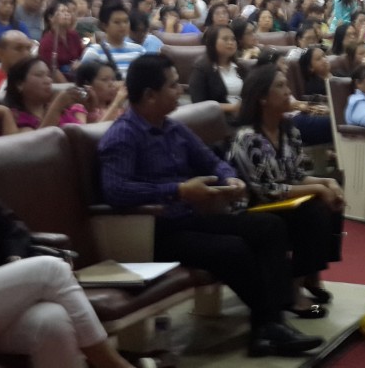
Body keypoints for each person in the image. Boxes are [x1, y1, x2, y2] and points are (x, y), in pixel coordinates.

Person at [99, 54, 323, 356]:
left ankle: (268, 326)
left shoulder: (172, 128)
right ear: (149, 95)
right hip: (154, 231)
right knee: (233, 247)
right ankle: (270, 326)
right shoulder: (123, 135)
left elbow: (213, 161)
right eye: (171, 85)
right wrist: (177, 190)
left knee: (269, 227)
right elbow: (116, 191)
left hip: (192, 218)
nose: (180, 90)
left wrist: (230, 180)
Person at [0, 106, 155, 367]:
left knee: (52, 321)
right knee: (50, 269)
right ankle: (112, 363)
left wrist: (13, 261)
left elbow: (11, 226)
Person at [228, 64, 344, 315]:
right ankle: (294, 289)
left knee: (332, 194)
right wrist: (317, 189)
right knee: (313, 210)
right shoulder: (247, 137)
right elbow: (266, 190)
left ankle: (312, 273)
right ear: (261, 98)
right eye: (279, 86)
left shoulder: (289, 130)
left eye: (286, 84)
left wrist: (327, 183)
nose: (287, 91)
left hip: (280, 199)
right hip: (252, 206)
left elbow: (297, 175)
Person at [5, 57, 88, 130]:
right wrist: (57, 106)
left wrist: (90, 108)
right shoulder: (15, 118)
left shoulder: (63, 110)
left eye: (48, 75)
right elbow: (35, 144)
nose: (48, 80)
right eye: (39, 75)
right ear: (20, 84)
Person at [189, 25, 247, 117]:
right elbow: (199, 104)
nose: (231, 43)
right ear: (212, 42)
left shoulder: (240, 68)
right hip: (218, 120)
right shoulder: (201, 69)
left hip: (244, 116)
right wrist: (233, 107)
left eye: (233, 39)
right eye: (225, 39)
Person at [81, 2, 146, 78]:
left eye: (126, 21)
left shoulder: (139, 50)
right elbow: (85, 82)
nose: (123, 25)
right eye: (117, 22)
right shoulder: (94, 53)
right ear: (104, 25)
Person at [40, 0, 85, 81]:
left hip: (78, 78)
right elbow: (53, 71)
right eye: (62, 11)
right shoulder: (47, 42)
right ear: (51, 17)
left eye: (68, 11)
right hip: (59, 84)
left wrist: (80, 62)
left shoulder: (74, 35)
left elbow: (82, 56)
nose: (67, 14)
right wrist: (68, 87)